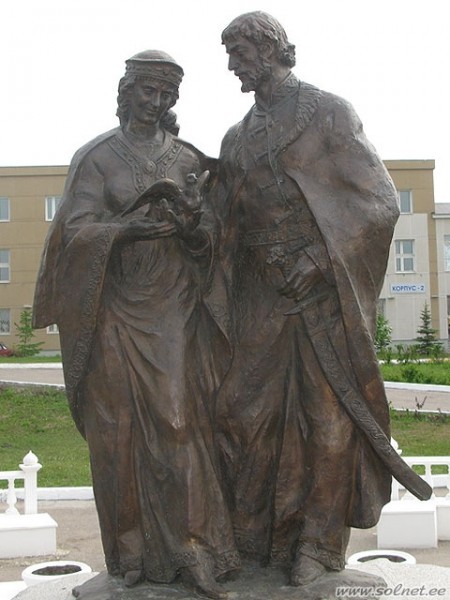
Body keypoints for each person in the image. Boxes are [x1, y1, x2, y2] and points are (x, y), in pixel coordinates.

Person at [214, 11, 429, 589]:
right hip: (259, 297)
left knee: (327, 418)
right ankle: (253, 537)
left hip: (321, 292)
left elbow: (378, 201)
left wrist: (316, 261)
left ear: (270, 50)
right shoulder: (235, 138)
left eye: (239, 53)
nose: (231, 66)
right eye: (228, 54)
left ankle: (318, 544)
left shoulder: (329, 113)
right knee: (237, 410)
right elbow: (222, 221)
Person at [32, 50, 239, 599]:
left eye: (166, 94)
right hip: (112, 309)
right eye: (148, 91)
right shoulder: (98, 158)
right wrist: (126, 230)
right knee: (114, 432)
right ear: (127, 93)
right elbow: (74, 233)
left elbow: (213, 236)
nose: (156, 101)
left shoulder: (188, 158)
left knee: (177, 422)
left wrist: (193, 226)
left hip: (174, 307)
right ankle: (128, 555)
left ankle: (194, 548)